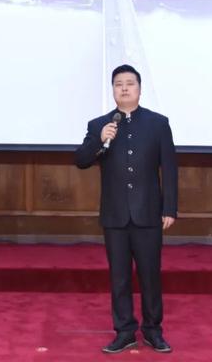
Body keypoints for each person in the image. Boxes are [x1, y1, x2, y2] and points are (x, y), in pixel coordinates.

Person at [75, 65, 177, 354]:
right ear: (113, 90)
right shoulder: (99, 125)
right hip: (115, 215)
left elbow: (169, 167)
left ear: (139, 89)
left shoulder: (158, 124)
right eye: (118, 84)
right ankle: (124, 331)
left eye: (130, 83)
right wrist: (99, 139)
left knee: (150, 276)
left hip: (149, 213)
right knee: (119, 278)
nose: (124, 88)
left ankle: (153, 331)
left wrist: (170, 207)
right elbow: (81, 160)